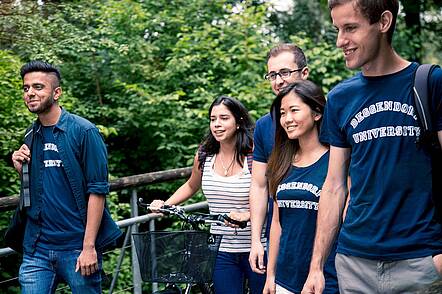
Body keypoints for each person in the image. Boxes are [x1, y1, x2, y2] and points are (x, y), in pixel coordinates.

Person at [302, 1, 442, 293]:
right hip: (354, 262)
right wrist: (316, 266)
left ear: (384, 22)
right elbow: (334, 185)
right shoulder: (341, 97)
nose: (341, 41)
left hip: (420, 261)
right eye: (338, 30)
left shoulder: (430, 83)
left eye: (350, 28)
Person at [11, 60, 122, 294]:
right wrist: (23, 170)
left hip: (77, 248)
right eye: (26, 88)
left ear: (57, 92)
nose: (30, 92)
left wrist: (89, 246)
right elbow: (44, 184)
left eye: (38, 87)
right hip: (37, 249)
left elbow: (98, 190)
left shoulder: (84, 132)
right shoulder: (30, 135)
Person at [150, 96, 266, 294]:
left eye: (224, 118)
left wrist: (247, 215)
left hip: (258, 246)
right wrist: (165, 205)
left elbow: (271, 196)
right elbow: (190, 185)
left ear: (238, 122)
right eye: (213, 119)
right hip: (221, 249)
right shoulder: (204, 155)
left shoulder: (254, 155)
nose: (217, 125)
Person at [263, 81, 339, 294]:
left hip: (325, 277)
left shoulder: (335, 161)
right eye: (282, 113)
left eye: (294, 110)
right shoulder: (281, 161)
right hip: (285, 278)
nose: (287, 119)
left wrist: (319, 270)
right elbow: (277, 223)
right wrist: (270, 276)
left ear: (316, 113)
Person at [249, 44, 309, 274]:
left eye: (285, 72)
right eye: (273, 75)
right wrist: (256, 240)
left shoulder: (327, 116)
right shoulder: (265, 126)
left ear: (304, 73)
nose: (278, 80)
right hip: (281, 234)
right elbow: (259, 184)